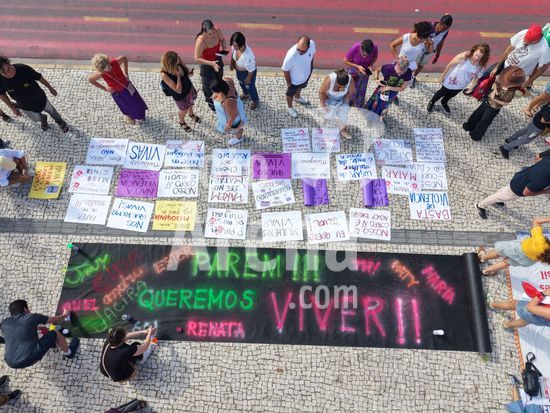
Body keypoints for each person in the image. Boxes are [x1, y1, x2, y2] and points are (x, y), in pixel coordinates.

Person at [0, 299, 80, 369]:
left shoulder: (4, 323)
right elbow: (54, 320)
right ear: (25, 309)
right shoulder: (31, 317)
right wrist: (65, 315)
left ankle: (51, 343)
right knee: (55, 333)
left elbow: (19, 331)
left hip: (10, 362)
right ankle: (69, 353)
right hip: (29, 358)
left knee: (36, 333)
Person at [0, 56, 69, 133]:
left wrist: (50, 88)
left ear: (9, 63)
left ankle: (59, 121)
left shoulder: (23, 69)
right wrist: (12, 108)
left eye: (8, 69)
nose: (8, 73)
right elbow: (2, 95)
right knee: (36, 118)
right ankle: (43, 119)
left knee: (52, 111)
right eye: (3, 73)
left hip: (40, 98)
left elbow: (39, 77)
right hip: (24, 105)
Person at [475, 154, 550, 219]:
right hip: (518, 188)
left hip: (520, 176)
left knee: (504, 192)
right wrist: (545, 191)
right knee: (500, 196)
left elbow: (538, 160)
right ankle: (480, 205)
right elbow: (526, 192)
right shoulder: (543, 179)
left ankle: (497, 200)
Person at [463, 66, 525, 141]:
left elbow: (505, 103)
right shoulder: (502, 78)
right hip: (487, 100)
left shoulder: (511, 92)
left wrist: (495, 99)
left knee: (484, 122)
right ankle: (469, 126)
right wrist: (495, 90)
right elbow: (495, 82)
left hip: (494, 108)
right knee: (476, 114)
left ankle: (475, 135)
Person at [427, 43, 490, 114]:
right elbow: (450, 65)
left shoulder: (481, 65)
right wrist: (442, 76)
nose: (476, 58)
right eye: (476, 55)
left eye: (480, 57)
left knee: (452, 94)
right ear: (474, 50)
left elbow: (477, 77)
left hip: (462, 84)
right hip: (451, 80)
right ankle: (432, 101)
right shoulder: (465, 56)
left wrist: (472, 87)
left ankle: (444, 102)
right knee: (442, 92)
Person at [477, 217, 550, 275]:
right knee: (506, 263)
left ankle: (482, 258)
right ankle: (486, 271)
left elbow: (536, 221)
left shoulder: (540, 241)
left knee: (499, 252)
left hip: (517, 249)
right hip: (528, 260)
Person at [88, 54, 148, 125]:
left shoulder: (114, 63)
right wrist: (105, 88)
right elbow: (90, 80)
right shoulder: (101, 74)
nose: (110, 67)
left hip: (127, 86)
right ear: (101, 69)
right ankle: (129, 117)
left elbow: (124, 58)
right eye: (108, 68)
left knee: (137, 103)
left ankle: (140, 116)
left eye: (109, 65)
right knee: (125, 106)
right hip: (117, 93)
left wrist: (126, 73)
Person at [489, 24, 550, 89]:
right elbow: (509, 49)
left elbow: (542, 68)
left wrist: (528, 82)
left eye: (529, 42)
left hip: (517, 76)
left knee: (507, 92)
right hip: (506, 65)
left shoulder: (544, 49)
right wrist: (497, 67)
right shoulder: (523, 32)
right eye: (525, 39)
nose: (525, 42)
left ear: (537, 40)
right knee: (487, 76)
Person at [160, 51, 200, 131]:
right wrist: (178, 76)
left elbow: (188, 72)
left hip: (189, 88)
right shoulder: (165, 74)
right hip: (180, 96)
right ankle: (182, 121)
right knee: (183, 110)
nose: (179, 60)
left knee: (191, 103)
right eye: (177, 60)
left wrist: (190, 72)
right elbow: (178, 90)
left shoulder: (179, 60)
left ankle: (191, 114)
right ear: (172, 64)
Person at [194, 19, 227, 111]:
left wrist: (224, 47)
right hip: (206, 64)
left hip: (217, 59)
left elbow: (223, 40)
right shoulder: (200, 40)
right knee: (208, 83)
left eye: (213, 32)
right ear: (204, 32)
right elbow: (197, 58)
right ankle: (210, 101)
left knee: (219, 77)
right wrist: (211, 63)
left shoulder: (217, 30)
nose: (212, 35)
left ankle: (219, 93)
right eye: (209, 34)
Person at [414, 14, 454, 85]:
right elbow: (417, 29)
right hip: (420, 48)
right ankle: (407, 77)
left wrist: (437, 55)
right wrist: (413, 41)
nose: (443, 30)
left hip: (430, 52)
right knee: (413, 64)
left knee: (421, 65)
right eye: (443, 28)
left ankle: (413, 77)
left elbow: (441, 42)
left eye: (446, 28)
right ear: (440, 23)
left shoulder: (446, 31)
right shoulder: (430, 26)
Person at [282, 35, 316, 118]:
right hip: (294, 81)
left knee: (301, 87)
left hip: (305, 76)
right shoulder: (291, 55)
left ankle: (297, 97)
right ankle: (290, 107)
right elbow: (285, 69)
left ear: (308, 46)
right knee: (290, 94)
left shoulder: (312, 44)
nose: (300, 52)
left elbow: (312, 55)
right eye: (298, 50)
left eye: (303, 51)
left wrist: (311, 67)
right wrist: (289, 83)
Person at [319, 69, 355, 139]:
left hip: (343, 98)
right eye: (340, 86)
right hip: (330, 97)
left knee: (344, 114)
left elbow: (350, 92)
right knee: (329, 112)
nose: (342, 88)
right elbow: (322, 92)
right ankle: (326, 119)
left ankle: (343, 130)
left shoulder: (351, 80)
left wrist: (343, 101)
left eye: (344, 86)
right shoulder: (329, 80)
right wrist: (323, 105)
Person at [210, 77, 247, 145]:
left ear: (220, 91)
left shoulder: (228, 102)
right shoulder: (227, 80)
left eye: (215, 91)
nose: (213, 92)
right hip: (233, 109)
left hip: (233, 116)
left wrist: (228, 126)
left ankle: (239, 138)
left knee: (237, 128)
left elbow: (233, 116)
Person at [343, 39, 378, 107]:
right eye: (363, 54)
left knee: (362, 88)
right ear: (361, 48)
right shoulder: (355, 47)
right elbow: (345, 61)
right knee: (352, 87)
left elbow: (375, 57)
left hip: (365, 72)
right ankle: (349, 101)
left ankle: (358, 103)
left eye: (367, 55)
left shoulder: (375, 47)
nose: (365, 56)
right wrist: (357, 66)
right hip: (353, 71)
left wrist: (370, 66)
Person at [230, 31, 259, 110]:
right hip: (239, 71)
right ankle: (246, 94)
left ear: (242, 44)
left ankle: (255, 100)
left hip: (247, 73)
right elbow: (233, 55)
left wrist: (248, 79)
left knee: (251, 87)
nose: (234, 47)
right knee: (241, 83)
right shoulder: (234, 47)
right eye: (233, 45)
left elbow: (251, 70)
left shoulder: (248, 57)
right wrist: (232, 64)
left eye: (236, 45)